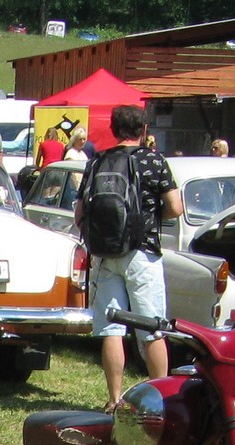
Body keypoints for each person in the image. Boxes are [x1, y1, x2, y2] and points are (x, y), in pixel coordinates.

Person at [77, 103, 181, 406]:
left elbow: (80, 213)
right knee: (151, 329)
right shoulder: (153, 160)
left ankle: (114, 399)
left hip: (105, 253)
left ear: (113, 129)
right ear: (143, 130)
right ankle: (162, 399)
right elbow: (175, 207)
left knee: (111, 329)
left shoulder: (97, 161)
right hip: (142, 252)